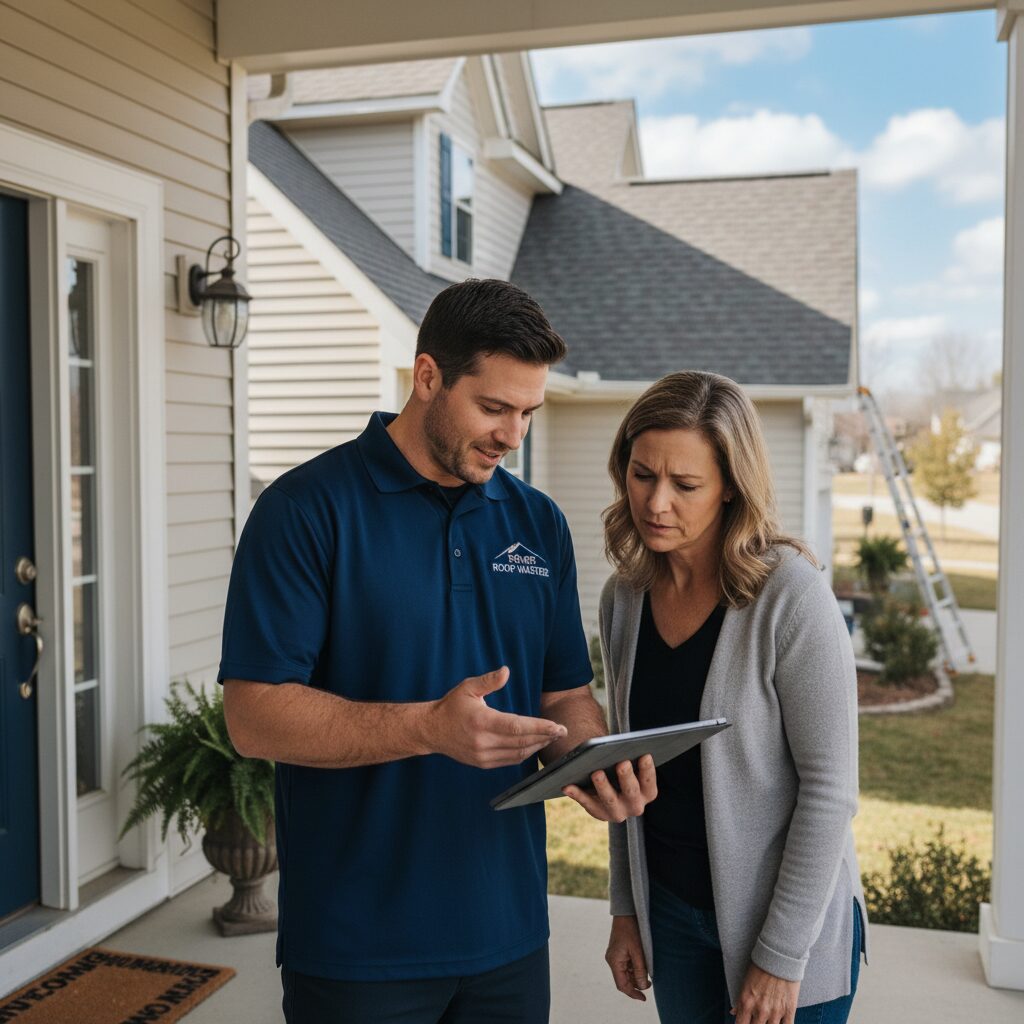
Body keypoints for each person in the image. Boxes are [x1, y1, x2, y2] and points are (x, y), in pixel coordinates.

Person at [218, 278, 657, 1024]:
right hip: (358, 942)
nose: (513, 434)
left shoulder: (538, 524)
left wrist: (595, 759)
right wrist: (427, 727)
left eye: (528, 412)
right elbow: (255, 717)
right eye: (493, 407)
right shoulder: (303, 512)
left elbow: (561, 696)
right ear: (427, 378)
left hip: (508, 933)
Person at [589, 371, 867, 1024]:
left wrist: (779, 956)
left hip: (785, 927)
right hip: (673, 917)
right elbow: (627, 764)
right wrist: (627, 910)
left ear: (730, 489)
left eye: (685, 485)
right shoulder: (623, 599)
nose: (656, 503)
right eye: (641, 474)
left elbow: (831, 790)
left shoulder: (789, 598)